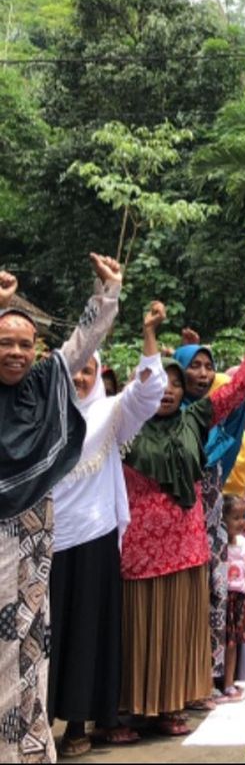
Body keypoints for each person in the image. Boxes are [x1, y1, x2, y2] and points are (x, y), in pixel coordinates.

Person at [119, 314, 245, 736]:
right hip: (137, 548)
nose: (167, 391)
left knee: (179, 628)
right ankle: (132, 709)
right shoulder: (126, 426)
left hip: (186, 547)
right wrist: (148, 333)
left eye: (174, 384)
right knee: (138, 627)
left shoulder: (194, 420)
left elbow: (236, 391)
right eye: (158, 384)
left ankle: (171, 707)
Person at [0, 257, 122, 763]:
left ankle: (26, 747)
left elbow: (84, 343)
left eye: (25, 344)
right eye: (5, 341)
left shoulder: (46, 382)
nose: (16, 352)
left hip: (35, 533)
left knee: (29, 640)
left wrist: (108, 291)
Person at [49, 303, 168, 757]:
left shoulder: (110, 414)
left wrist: (149, 334)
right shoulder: (43, 415)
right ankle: (36, 720)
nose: (80, 378)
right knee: (46, 632)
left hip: (94, 538)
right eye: (74, 370)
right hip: (45, 540)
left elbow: (148, 392)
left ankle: (77, 724)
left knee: (84, 630)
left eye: (88, 370)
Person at [219, 495, 245, 703]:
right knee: (220, 642)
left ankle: (229, 683)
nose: (241, 522)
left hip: (238, 600)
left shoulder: (244, 545)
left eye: (244, 517)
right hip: (223, 600)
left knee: (233, 643)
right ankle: (214, 681)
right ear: (223, 519)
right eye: (235, 518)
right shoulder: (221, 545)